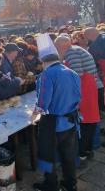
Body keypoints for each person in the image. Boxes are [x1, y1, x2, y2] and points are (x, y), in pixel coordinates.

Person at [33, 33, 80, 191]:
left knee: (47, 154)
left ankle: (50, 185)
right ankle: (70, 183)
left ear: (43, 61)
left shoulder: (46, 75)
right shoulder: (71, 72)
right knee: (68, 154)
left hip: (53, 122)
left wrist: (34, 113)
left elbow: (42, 103)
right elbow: (78, 95)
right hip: (71, 120)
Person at [55, 35, 103, 159]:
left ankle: (83, 151)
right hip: (88, 88)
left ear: (61, 47)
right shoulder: (74, 49)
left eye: (56, 47)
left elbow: (78, 75)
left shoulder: (71, 53)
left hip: (85, 90)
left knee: (86, 122)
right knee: (89, 121)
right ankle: (87, 149)